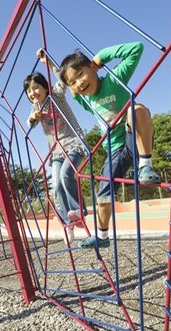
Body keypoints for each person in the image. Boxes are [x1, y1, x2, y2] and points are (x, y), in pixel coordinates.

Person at [58, 41, 161, 249]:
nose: (79, 83)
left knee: (137, 109)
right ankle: (103, 236)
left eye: (81, 74)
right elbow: (71, 91)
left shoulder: (115, 79)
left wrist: (100, 57)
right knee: (103, 195)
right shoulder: (85, 101)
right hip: (113, 151)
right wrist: (55, 69)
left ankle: (145, 165)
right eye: (73, 82)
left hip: (133, 139)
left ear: (93, 68)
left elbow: (136, 49)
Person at [25, 48, 89, 245]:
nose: (32, 93)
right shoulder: (35, 108)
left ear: (44, 87)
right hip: (55, 152)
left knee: (65, 175)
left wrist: (48, 62)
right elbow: (31, 123)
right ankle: (66, 223)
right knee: (55, 187)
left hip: (73, 143)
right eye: (28, 91)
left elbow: (61, 79)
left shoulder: (56, 96)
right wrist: (31, 118)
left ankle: (79, 211)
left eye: (36, 87)